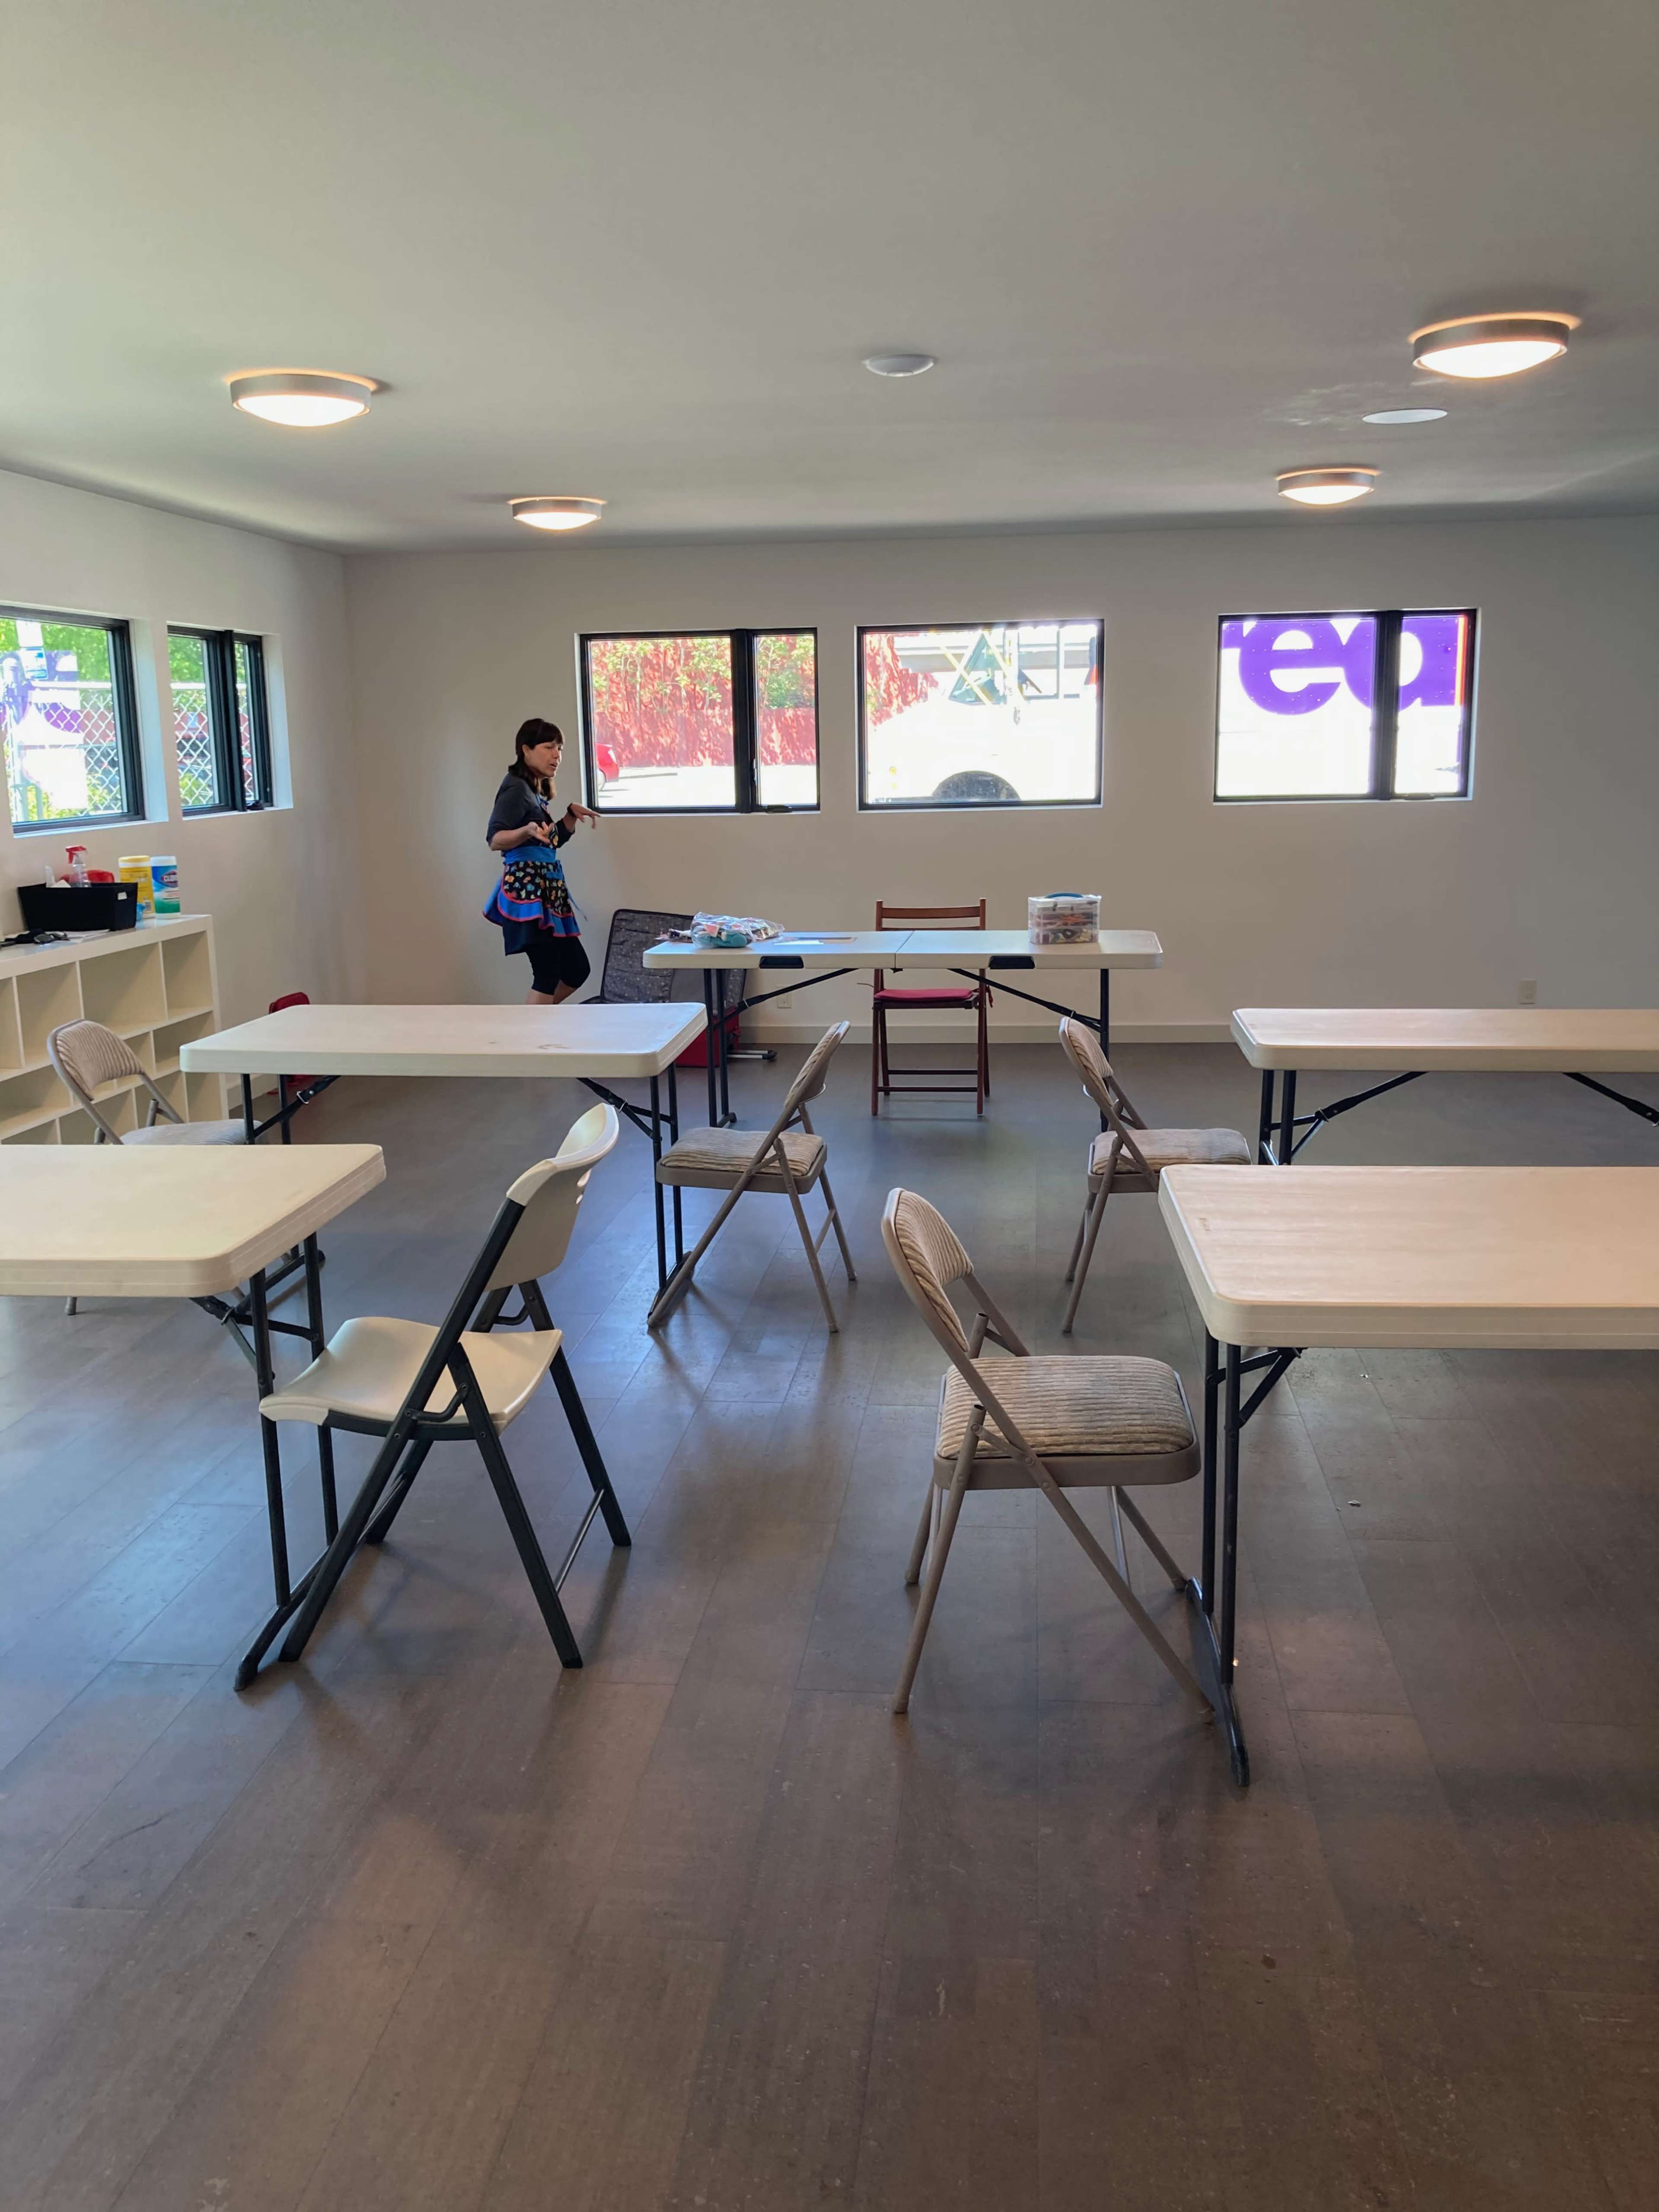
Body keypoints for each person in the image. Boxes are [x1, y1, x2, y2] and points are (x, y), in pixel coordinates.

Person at [483, 718, 598, 1003]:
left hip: (547, 892)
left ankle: (536, 1025)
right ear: (526, 750)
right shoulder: (516, 789)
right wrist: (526, 831)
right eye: (549, 747)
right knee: (547, 972)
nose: (557, 755)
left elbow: (548, 842)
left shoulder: (532, 791)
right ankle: (533, 1035)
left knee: (576, 970)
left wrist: (570, 816)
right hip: (529, 892)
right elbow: (495, 840)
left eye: (559, 748)